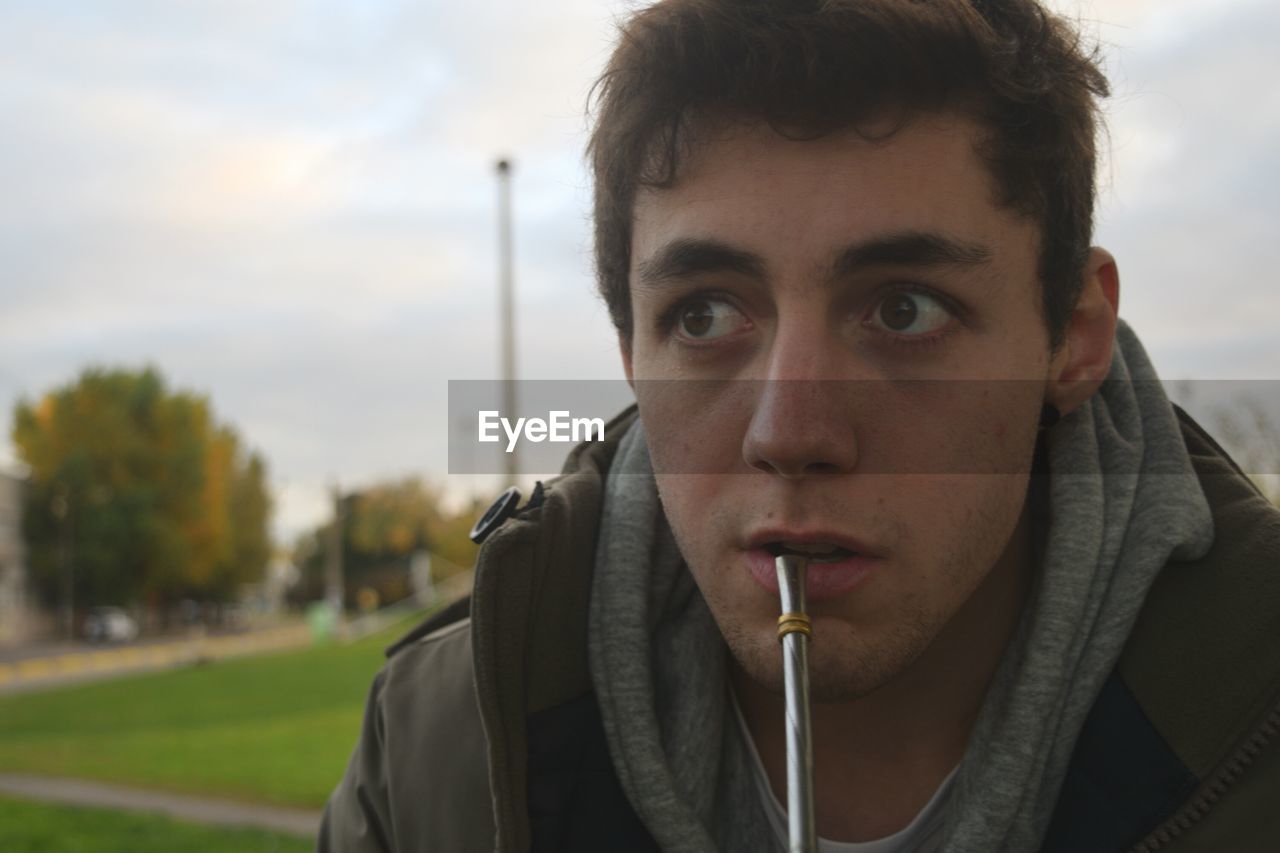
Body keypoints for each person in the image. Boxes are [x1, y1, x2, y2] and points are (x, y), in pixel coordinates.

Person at [319, 1, 1280, 850]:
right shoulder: (439, 757)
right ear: (630, 355)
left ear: (1073, 335)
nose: (791, 431)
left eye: (905, 309)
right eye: (703, 316)